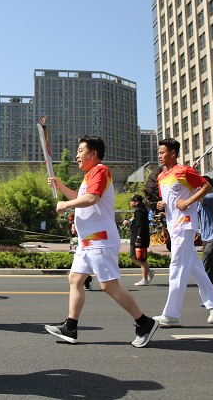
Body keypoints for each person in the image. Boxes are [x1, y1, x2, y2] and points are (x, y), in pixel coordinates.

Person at [44, 135, 159, 348]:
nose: (77, 155)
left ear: (93, 153)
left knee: (109, 286)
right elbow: (81, 199)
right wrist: (61, 188)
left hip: (100, 241)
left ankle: (144, 323)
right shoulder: (89, 177)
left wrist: (65, 205)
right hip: (87, 242)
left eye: (80, 150)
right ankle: (71, 327)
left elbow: (92, 199)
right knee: (75, 280)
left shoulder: (100, 170)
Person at [153, 138, 213, 328]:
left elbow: (206, 187)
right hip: (173, 226)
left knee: (177, 266)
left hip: (185, 225)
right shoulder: (162, 176)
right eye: (159, 152)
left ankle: (172, 314)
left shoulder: (184, 171)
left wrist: (188, 202)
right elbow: (168, 200)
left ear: (173, 154)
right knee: (196, 267)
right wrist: (161, 205)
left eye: (162, 152)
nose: (159, 155)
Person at [130, 194, 155, 286]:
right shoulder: (139, 211)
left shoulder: (139, 211)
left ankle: (145, 279)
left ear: (136, 202)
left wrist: (138, 238)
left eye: (132, 201)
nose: (131, 203)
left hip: (139, 238)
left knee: (141, 258)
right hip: (137, 237)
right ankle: (149, 271)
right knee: (134, 257)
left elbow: (140, 225)